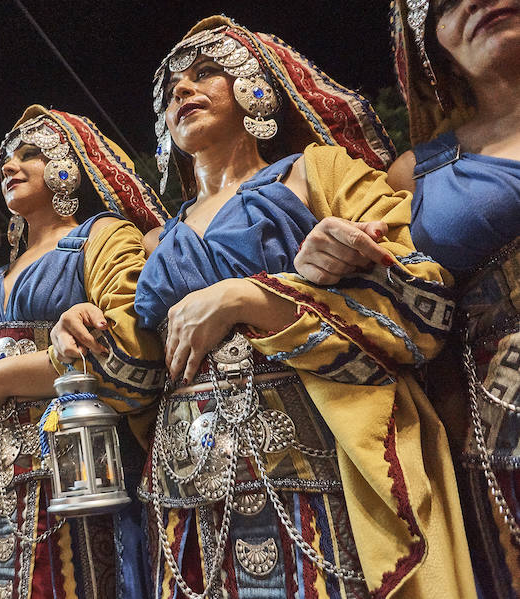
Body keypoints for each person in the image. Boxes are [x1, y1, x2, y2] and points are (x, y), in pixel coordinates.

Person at [53, 15, 474, 598]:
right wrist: (80, 332)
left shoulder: (314, 172)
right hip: (184, 485)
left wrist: (250, 296)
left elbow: (419, 297)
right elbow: (138, 371)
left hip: (312, 460)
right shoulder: (155, 241)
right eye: (172, 87)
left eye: (206, 73)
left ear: (255, 88)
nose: (181, 90)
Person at [0, 105, 168, 599]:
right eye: (4, 163)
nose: (8, 168)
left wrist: (6, 377)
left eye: (30, 154)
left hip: (71, 476)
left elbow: (132, 353)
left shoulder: (100, 238)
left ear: (69, 165)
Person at [295, 2, 520, 595]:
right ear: (428, 46)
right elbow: (399, 327)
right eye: (442, 3)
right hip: (500, 447)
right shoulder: (412, 177)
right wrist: (327, 263)